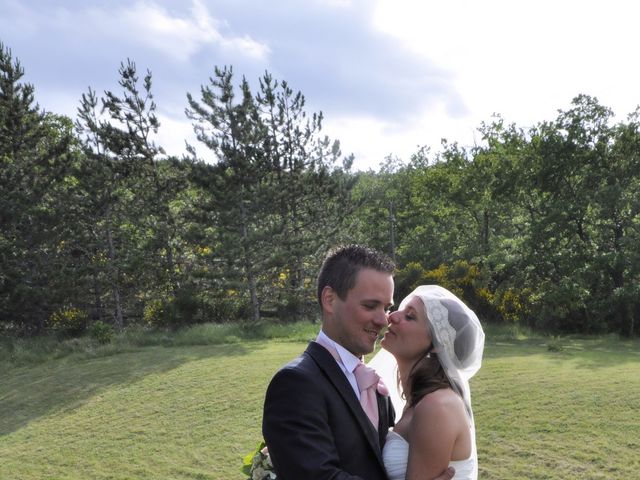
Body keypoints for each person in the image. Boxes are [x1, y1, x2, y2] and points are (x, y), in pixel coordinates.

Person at [262, 245, 455, 480]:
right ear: (330, 299)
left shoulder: (376, 387)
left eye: (386, 308)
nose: (383, 320)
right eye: (370, 306)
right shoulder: (296, 383)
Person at [370, 285, 485, 480]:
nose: (392, 316)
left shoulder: (436, 406)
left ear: (437, 344)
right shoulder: (419, 400)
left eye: (410, 316)